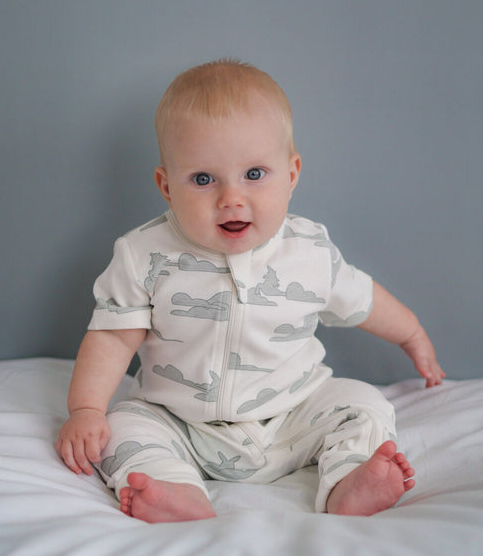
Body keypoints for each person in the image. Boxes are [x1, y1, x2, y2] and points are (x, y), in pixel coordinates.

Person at [56, 59, 445, 523]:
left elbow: (363, 300)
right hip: (182, 422)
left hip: (293, 419)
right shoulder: (143, 254)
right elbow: (114, 337)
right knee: (120, 429)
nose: (231, 198)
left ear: (292, 173)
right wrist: (85, 409)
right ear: (166, 186)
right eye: (203, 179)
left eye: (255, 174)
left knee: (365, 404)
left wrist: (413, 335)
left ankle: (350, 480)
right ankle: (175, 490)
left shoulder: (309, 250)